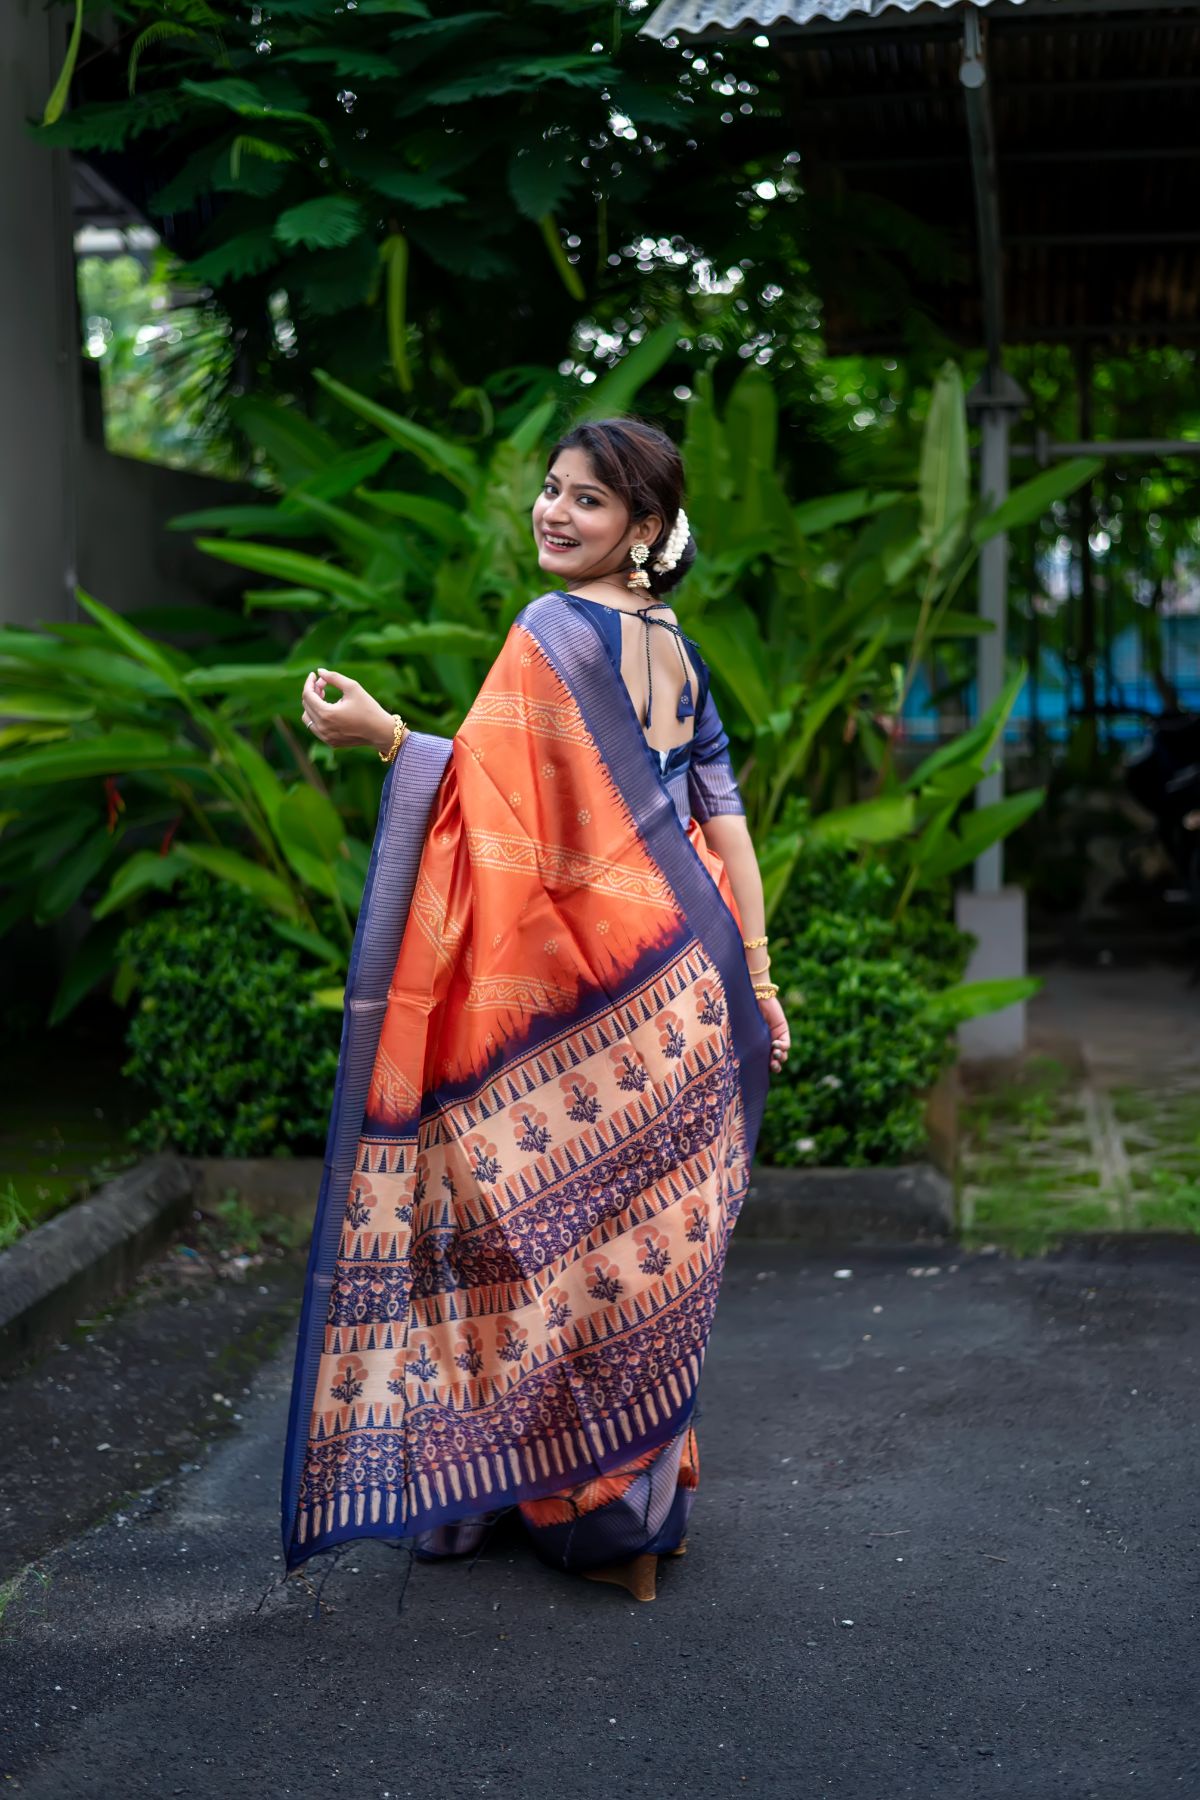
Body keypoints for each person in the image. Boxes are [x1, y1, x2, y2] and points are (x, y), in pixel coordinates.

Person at [280, 416, 791, 1602]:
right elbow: (727, 833)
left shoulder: (553, 633)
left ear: (647, 528)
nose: (554, 514)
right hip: (690, 998)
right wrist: (757, 981)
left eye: (588, 502)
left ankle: (529, 1496)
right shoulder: (684, 653)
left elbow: (494, 809)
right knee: (636, 1255)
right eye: (551, 492)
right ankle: (624, 1515)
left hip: (587, 1008)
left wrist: (382, 738)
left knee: (512, 1235)